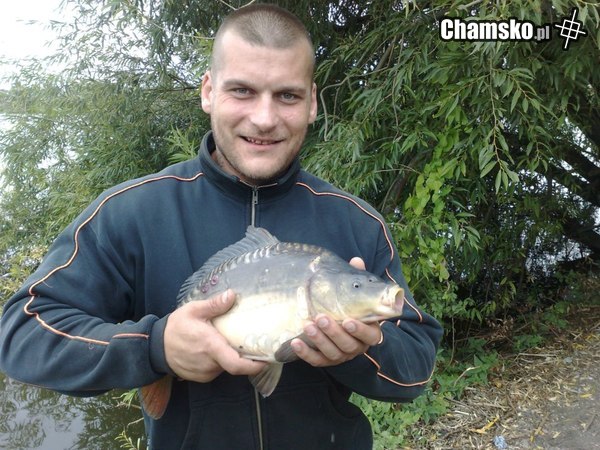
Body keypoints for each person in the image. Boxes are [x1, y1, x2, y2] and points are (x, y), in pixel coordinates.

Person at [0, 4, 442, 449]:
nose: (264, 118)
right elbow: (22, 333)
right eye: (242, 91)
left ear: (312, 103)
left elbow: (416, 369)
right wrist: (154, 348)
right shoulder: (130, 213)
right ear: (209, 91)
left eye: (287, 96)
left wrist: (360, 351)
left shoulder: (356, 223)